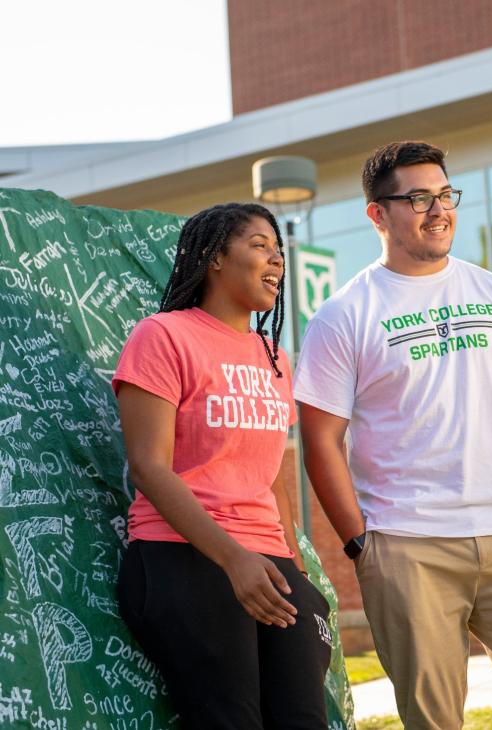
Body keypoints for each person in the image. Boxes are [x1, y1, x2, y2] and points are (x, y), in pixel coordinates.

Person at [293, 141, 492, 729]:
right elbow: (320, 441)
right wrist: (361, 546)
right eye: (418, 197)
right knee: (433, 720)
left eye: (446, 194)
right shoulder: (344, 314)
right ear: (377, 214)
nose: (438, 209)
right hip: (408, 546)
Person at [112, 203, 331, 729]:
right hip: (182, 554)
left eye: (278, 249)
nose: (276, 258)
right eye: (259, 246)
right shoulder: (163, 336)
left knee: (304, 719)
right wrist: (233, 559)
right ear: (213, 257)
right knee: (232, 720)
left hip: (267, 558)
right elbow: (148, 466)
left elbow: (269, 472)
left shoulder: (274, 357)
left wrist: (295, 570)